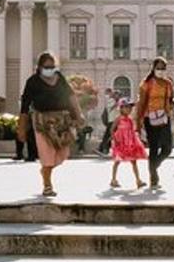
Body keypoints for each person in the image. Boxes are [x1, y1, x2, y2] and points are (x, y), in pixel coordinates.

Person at [18, 52, 84, 197]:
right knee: (47, 155)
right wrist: (21, 128)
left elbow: (71, 96)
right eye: (47, 66)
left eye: (52, 66)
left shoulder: (60, 78)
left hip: (61, 121)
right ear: (40, 67)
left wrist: (78, 115)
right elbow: (24, 105)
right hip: (42, 122)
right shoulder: (33, 81)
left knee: (63, 153)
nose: (50, 69)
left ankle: (45, 171)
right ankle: (47, 185)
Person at [134, 57, 174, 188]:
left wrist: (172, 103)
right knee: (153, 148)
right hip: (149, 118)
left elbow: (170, 99)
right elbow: (141, 104)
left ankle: (153, 167)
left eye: (163, 68)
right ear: (153, 68)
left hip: (164, 117)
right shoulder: (147, 83)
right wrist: (138, 123)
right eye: (158, 68)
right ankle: (154, 178)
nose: (161, 71)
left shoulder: (168, 83)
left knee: (167, 148)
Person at [108, 98, 147, 190]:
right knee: (117, 162)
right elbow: (112, 129)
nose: (129, 109)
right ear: (121, 108)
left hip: (130, 143)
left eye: (130, 107)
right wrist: (115, 139)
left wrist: (136, 139)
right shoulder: (119, 119)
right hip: (121, 142)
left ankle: (138, 180)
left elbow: (132, 130)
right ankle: (113, 179)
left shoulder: (130, 119)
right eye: (127, 107)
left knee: (134, 161)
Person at [96, 90, 116, 156]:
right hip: (111, 121)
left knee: (109, 135)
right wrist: (117, 102)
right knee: (108, 135)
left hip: (114, 121)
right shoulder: (111, 101)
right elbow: (111, 107)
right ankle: (103, 148)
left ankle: (102, 148)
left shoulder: (113, 101)